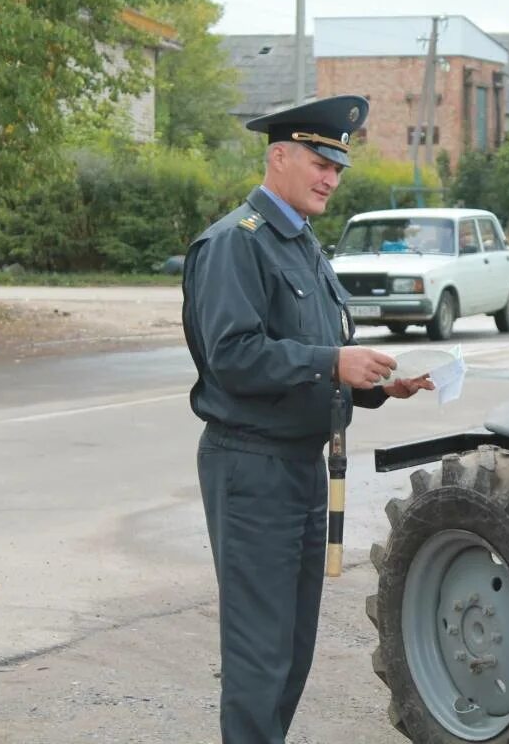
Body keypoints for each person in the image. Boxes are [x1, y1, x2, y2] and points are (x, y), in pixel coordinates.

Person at [181, 95, 433, 744]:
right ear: (279, 157)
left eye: (338, 168)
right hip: (251, 467)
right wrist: (332, 361)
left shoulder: (301, 246)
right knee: (259, 654)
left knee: (292, 648)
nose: (330, 177)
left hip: (299, 466)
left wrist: (380, 386)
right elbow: (233, 357)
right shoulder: (238, 245)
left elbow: (317, 360)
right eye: (320, 162)